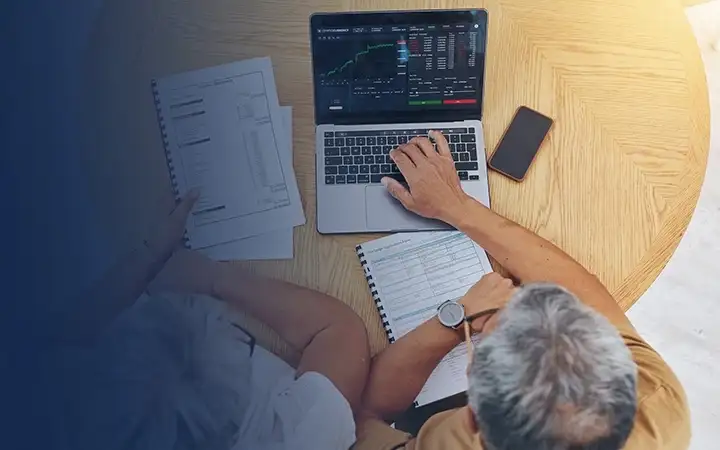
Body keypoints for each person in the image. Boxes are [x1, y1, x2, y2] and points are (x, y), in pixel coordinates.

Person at [353, 132, 690, 450]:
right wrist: (456, 206)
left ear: (473, 416)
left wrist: (457, 319)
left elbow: (359, 417)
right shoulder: (657, 409)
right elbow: (587, 295)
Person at [51, 189, 370, 450]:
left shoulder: (55, 397)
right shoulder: (304, 439)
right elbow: (339, 331)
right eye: (232, 336)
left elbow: (65, 334)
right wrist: (217, 280)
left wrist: (150, 255)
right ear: (234, 423)